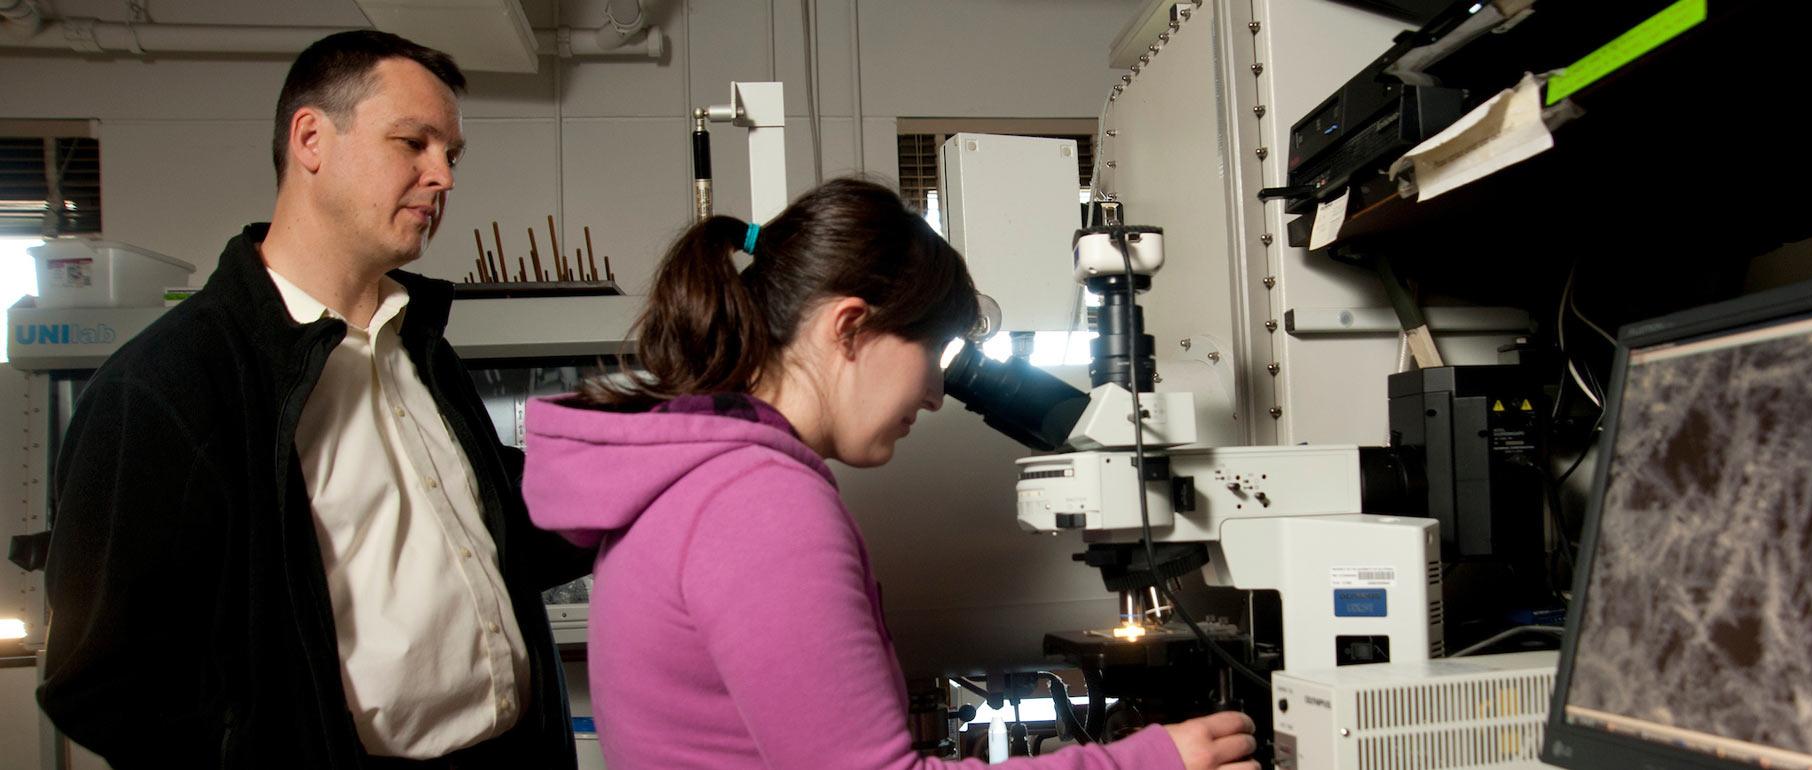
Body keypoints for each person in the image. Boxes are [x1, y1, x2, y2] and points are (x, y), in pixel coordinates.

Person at [523, 177, 1258, 769]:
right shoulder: (759, 503)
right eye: (930, 355)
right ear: (848, 327)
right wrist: (1149, 760)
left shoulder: (698, 477)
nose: (936, 396)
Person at [37, 30, 593, 768]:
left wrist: (656, 464)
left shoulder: (414, 344)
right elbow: (104, 681)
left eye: (450, 155)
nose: (443, 177)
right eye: (413, 143)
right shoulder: (167, 384)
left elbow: (495, 533)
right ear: (310, 138)